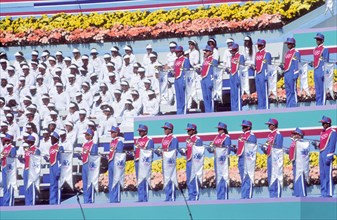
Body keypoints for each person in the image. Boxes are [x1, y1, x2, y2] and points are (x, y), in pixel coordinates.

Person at [313, 116, 336, 197]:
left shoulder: (332, 132)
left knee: (327, 174)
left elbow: (332, 145)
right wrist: (316, 144)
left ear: (328, 123)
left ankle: (328, 193)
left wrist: (330, 156)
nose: (322, 125)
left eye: (323, 123)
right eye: (322, 123)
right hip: (321, 153)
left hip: (327, 154)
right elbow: (322, 144)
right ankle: (323, 193)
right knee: (322, 174)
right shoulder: (322, 132)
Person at [210, 122, 231, 200]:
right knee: (218, 178)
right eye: (218, 128)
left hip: (223, 160)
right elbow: (213, 148)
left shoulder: (226, 137)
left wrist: (220, 147)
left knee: (224, 177)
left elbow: (227, 149)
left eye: (220, 129)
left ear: (224, 129)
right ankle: (219, 197)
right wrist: (210, 147)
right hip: (217, 160)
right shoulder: (216, 137)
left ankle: (224, 197)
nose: (218, 130)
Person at [182, 123, 203, 201]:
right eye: (187, 130)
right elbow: (189, 150)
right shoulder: (188, 140)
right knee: (189, 179)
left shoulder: (197, 139)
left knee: (194, 179)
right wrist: (184, 151)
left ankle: (195, 196)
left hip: (195, 162)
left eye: (189, 130)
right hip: (188, 160)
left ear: (194, 130)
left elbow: (199, 152)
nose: (188, 131)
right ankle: (190, 196)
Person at [263, 118, 283, 198]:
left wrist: (271, 147)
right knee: (270, 176)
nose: (268, 126)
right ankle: (271, 195)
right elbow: (268, 145)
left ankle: (277, 195)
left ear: (274, 126)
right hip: (269, 157)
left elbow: (278, 147)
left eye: (269, 125)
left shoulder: (278, 134)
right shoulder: (269, 135)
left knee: (276, 175)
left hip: (275, 158)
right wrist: (264, 148)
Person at [237, 120, 257, 199]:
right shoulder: (242, 136)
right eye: (242, 126)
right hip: (241, 159)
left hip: (248, 160)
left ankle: (248, 197)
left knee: (248, 177)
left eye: (244, 126)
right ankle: (243, 197)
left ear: (249, 127)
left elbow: (252, 147)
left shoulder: (252, 136)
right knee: (243, 179)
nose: (243, 128)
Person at [134, 124, 154, 202]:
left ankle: (145, 198)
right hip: (137, 161)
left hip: (144, 162)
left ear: (145, 131)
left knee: (144, 179)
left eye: (141, 131)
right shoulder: (137, 140)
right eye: (139, 131)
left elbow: (150, 151)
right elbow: (136, 151)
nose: (140, 132)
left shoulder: (149, 140)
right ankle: (140, 198)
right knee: (139, 180)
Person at [160, 122, 179, 201]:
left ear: (170, 130)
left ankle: (171, 197)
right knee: (166, 178)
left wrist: (166, 151)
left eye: (165, 129)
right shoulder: (164, 139)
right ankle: (167, 196)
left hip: (170, 161)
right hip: (165, 161)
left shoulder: (173, 138)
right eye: (164, 129)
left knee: (171, 178)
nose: (164, 130)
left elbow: (174, 150)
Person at [79, 128, 98, 203]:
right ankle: (85, 199)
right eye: (85, 135)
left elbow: (94, 155)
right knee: (85, 183)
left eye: (87, 135)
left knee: (89, 182)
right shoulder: (85, 144)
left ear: (90, 136)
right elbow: (83, 154)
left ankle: (90, 200)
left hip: (89, 165)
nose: (85, 136)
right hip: (84, 164)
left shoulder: (93, 144)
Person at [21, 135, 41, 205]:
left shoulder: (36, 150)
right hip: (26, 169)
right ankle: (27, 203)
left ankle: (32, 204)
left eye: (29, 141)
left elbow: (36, 161)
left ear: (32, 142)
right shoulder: (27, 149)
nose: (28, 143)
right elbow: (26, 159)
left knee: (31, 188)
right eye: (28, 141)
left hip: (32, 170)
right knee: (26, 187)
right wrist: (22, 159)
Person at [288, 128, 307, 197]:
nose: (294, 135)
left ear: (300, 135)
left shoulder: (301, 143)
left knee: (300, 178)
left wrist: (296, 141)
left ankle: (302, 194)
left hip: (300, 163)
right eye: (294, 134)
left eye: (295, 134)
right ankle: (297, 193)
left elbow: (302, 152)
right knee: (296, 178)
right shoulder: (294, 142)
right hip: (295, 162)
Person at [107, 126, 124, 203]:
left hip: (115, 162)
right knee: (111, 181)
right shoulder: (111, 141)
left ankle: (116, 198)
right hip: (110, 162)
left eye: (113, 132)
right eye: (111, 132)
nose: (111, 133)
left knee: (116, 180)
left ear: (116, 133)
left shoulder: (119, 141)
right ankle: (111, 198)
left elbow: (119, 153)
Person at [282, 38, 300, 108]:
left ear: (293, 44)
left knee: (293, 91)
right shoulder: (287, 53)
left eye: (289, 44)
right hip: (286, 73)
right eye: (287, 44)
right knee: (288, 91)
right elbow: (286, 63)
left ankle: (294, 105)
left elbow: (296, 63)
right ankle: (289, 105)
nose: (288, 45)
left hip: (292, 73)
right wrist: (282, 66)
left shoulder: (296, 52)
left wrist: (296, 73)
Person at [312, 33, 329, 106]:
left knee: (322, 89)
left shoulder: (325, 49)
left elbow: (326, 60)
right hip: (316, 70)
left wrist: (324, 71)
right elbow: (316, 60)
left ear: (322, 40)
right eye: (316, 39)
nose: (317, 41)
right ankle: (318, 104)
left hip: (321, 70)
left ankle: (322, 104)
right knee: (317, 89)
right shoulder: (315, 49)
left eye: (319, 39)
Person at [255, 39, 272, 109]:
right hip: (257, 74)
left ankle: (265, 107)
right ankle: (260, 107)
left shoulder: (267, 53)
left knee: (264, 92)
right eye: (258, 45)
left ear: (263, 45)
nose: (258, 46)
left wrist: (266, 75)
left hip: (263, 74)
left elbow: (268, 65)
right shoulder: (257, 54)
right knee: (259, 92)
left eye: (260, 45)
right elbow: (256, 64)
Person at [0, 133, 17, 206]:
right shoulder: (4, 148)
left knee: (10, 186)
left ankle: (10, 203)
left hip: (9, 169)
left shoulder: (12, 148)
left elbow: (12, 157)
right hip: (3, 167)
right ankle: (5, 203)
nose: (6, 141)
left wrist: (5, 156)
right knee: (5, 187)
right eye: (5, 140)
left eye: (7, 140)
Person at [200, 45, 218, 112]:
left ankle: (211, 111)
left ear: (211, 52)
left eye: (207, 51)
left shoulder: (213, 60)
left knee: (210, 97)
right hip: (203, 79)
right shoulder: (204, 61)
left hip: (209, 79)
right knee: (205, 97)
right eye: (205, 51)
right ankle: (207, 110)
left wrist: (212, 80)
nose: (205, 53)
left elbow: (215, 71)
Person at [173, 46, 191, 114]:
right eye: (175, 52)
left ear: (181, 52)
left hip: (181, 79)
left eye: (177, 52)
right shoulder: (176, 60)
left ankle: (183, 112)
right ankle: (179, 111)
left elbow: (187, 71)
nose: (176, 53)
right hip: (176, 79)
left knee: (183, 97)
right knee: (178, 97)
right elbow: (175, 70)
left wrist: (184, 81)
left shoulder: (185, 59)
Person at [48, 132, 64, 205]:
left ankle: (57, 202)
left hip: (56, 166)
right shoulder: (51, 147)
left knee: (57, 185)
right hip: (51, 166)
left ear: (56, 139)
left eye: (52, 138)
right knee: (52, 185)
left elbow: (61, 159)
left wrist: (59, 170)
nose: (51, 139)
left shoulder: (60, 147)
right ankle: (52, 201)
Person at [229, 43, 245, 111]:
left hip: (237, 75)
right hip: (232, 75)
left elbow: (242, 68)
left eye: (234, 49)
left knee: (237, 93)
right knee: (232, 93)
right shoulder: (231, 57)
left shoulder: (240, 56)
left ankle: (238, 108)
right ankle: (233, 108)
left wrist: (239, 78)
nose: (232, 51)